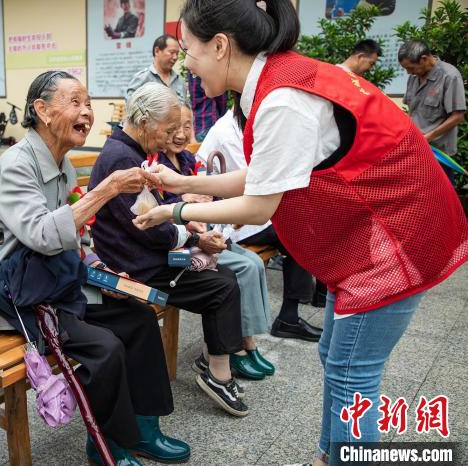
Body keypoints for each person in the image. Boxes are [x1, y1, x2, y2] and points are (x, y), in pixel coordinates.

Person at [132, 1, 467, 465]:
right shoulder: (280, 78)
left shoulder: (282, 99)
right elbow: (263, 177)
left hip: (393, 241)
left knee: (353, 372)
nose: (185, 62)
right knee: (337, 356)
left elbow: (258, 204)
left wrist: (174, 210)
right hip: (370, 238)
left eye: (188, 49)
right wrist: (183, 182)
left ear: (221, 45)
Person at [0, 71, 189, 465]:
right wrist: (107, 188)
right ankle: (106, 445)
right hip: (18, 296)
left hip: (53, 282)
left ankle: (146, 429)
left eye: (88, 103)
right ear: (41, 110)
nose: (87, 112)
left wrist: (103, 270)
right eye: (74, 102)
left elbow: (73, 241)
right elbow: (43, 235)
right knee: (105, 346)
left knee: (138, 317)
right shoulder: (16, 165)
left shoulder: (62, 164)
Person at [90, 82, 248, 417]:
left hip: (147, 257)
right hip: (136, 268)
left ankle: (219, 361)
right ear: (145, 122)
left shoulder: (130, 152)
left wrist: (189, 222)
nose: (171, 136)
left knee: (223, 276)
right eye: (169, 128)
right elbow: (148, 227)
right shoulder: (122, 158)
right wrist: (195, 238)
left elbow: (156, 214)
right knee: (221, 284)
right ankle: (218, 370)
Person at [160, 103, 274, 380]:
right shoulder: (158, 165)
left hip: (205, 236)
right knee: (245, 268)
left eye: (187, 126)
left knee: (254, 261)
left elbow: (211, 193)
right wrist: (186, 200)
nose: (181, 133)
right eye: (174, 127)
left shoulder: (187, 161)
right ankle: (237, 347)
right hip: (186, 244)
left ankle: (248, 341)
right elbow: (160, 208)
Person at [197, 108, 325, 341]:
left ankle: (296, 310)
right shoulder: (228, 131)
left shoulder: (249, 123)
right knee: (298, 230)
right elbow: (254, 181)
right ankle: (290, 315)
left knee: (304, 224)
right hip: (232, 220)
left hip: (250, 211)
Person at [399, 39, 466, 184]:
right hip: (415, 149)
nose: (408, 72)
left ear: (424, 59)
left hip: (438, 154)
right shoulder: (413, 77)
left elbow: (458, 117)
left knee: (439, 198)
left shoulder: (449, 76)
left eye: (411, 68)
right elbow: (413, 112)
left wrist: (428, 137)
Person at [126, 34, 188, 105]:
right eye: (172, 52)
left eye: (177, 53)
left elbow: (187, 109)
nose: (175, 57)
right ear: (157, 51)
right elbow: (130, 106)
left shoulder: (180, 81)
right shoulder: (141, 79)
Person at [189, 73, 228, 142]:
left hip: (198, 126)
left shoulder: (192, 70)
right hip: (210, 124)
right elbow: (221, 99)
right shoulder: (208, 69)